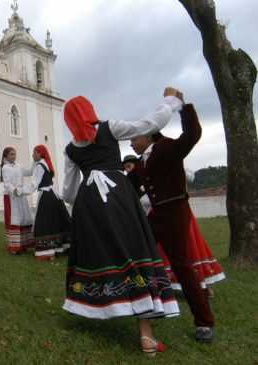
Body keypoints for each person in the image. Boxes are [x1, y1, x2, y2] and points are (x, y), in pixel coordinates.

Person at [62, 89, 182, 355]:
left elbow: (68, 193)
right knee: (136, 251)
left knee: (100, 255)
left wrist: (85, 199)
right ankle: (146, 335)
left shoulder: (70, 149)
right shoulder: (110, 128)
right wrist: (171, 103)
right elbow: (148, 124)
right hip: (119, 196)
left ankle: (98, 307)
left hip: (88, 204)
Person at [130, 101, 217, 342]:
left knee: (181, 265)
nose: (130, 143)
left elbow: (193, 134)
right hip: (156, 215)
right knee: (136, 251)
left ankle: (204, 321)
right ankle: (140, 303)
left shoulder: (167, 147)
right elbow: (129, 185)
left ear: (148, 135)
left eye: (133, 138)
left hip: (175, 213)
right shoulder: (141, 162)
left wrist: (184, 107)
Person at [17, 145, 70, 260]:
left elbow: (33, 185)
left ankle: (47, 252)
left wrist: (19, 191)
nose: (32, 155)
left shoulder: (40, 166)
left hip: (46, 196)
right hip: (54, 196)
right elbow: (31, 171)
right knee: (55, 222)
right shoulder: (46, 163)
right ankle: (58, 249)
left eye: (34, 153)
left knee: (44, 224)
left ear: (40, 154)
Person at [1, 147, 34, 254]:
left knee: (23, 218)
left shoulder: (19, 166)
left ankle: (24, 244)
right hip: (11, 196)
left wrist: (35, 161)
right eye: (11, 154)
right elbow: (6, 183)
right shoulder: (5, 167)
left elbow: (30, 172)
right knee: (14, 219)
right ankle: (14, 247)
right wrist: (14, 190)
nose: (14, 156)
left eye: (14, 154)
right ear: (6, 156)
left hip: (20, 194)